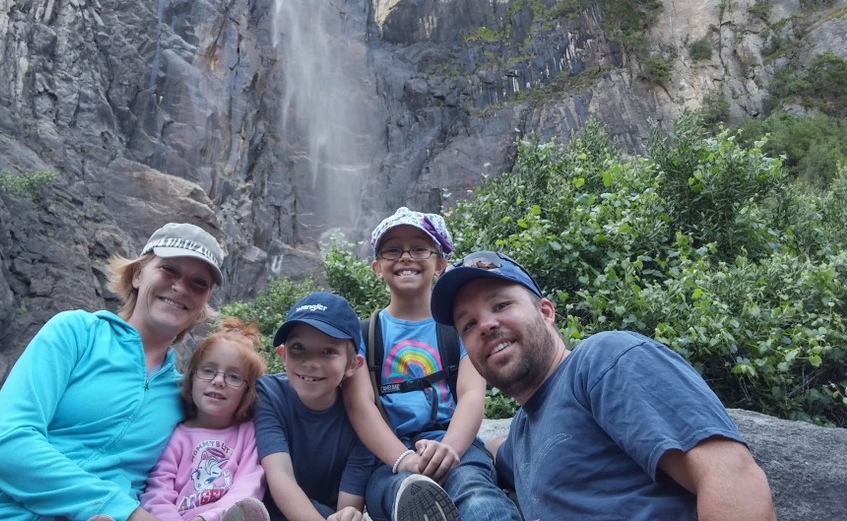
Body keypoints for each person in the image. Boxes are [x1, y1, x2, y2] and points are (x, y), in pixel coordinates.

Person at [430, 249, 778, 521]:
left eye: (501, 305)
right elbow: (493, 449)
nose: (486, 326)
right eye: (469, 325)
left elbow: (731, 476)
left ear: (546, 312)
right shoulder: (522, 434)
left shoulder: (604, 360)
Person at [0, 222, 226, 521]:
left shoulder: (186, 396)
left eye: (199, 283)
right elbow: (4, 444)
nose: (180, 287)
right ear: (138, 274)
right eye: (169, 270)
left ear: (205, 301)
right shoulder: (76, 333)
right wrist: (126, 512)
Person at [342, 208, 521, 521]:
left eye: (419, 248)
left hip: (457, 447)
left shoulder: (460, 327)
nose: (406, 257)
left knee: (475, 493)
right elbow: (361, 405)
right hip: (389, 458)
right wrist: (403, 459)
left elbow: (471, 396)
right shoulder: (363, 333)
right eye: (393, 249)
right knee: (398, 492)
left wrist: (449, 449)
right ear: (377, 267)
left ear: (440, 264)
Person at [253, 292, 375, 521]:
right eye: (299, 347)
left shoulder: (363, 421)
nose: (310, 363)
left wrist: (347, 515)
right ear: (283, 355)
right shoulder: (268, 394)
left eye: (328, 351)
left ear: (352, 365)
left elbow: (348, 506)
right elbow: (279, 475)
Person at [141, 317, 269, 521]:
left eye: (234, 376)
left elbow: (248, 486)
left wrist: (208, 518)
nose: (218, 381)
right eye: (208, 370)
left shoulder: (248, 434)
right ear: (191, 378)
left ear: (248, 391)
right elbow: (158, 491)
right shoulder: (177, 435)